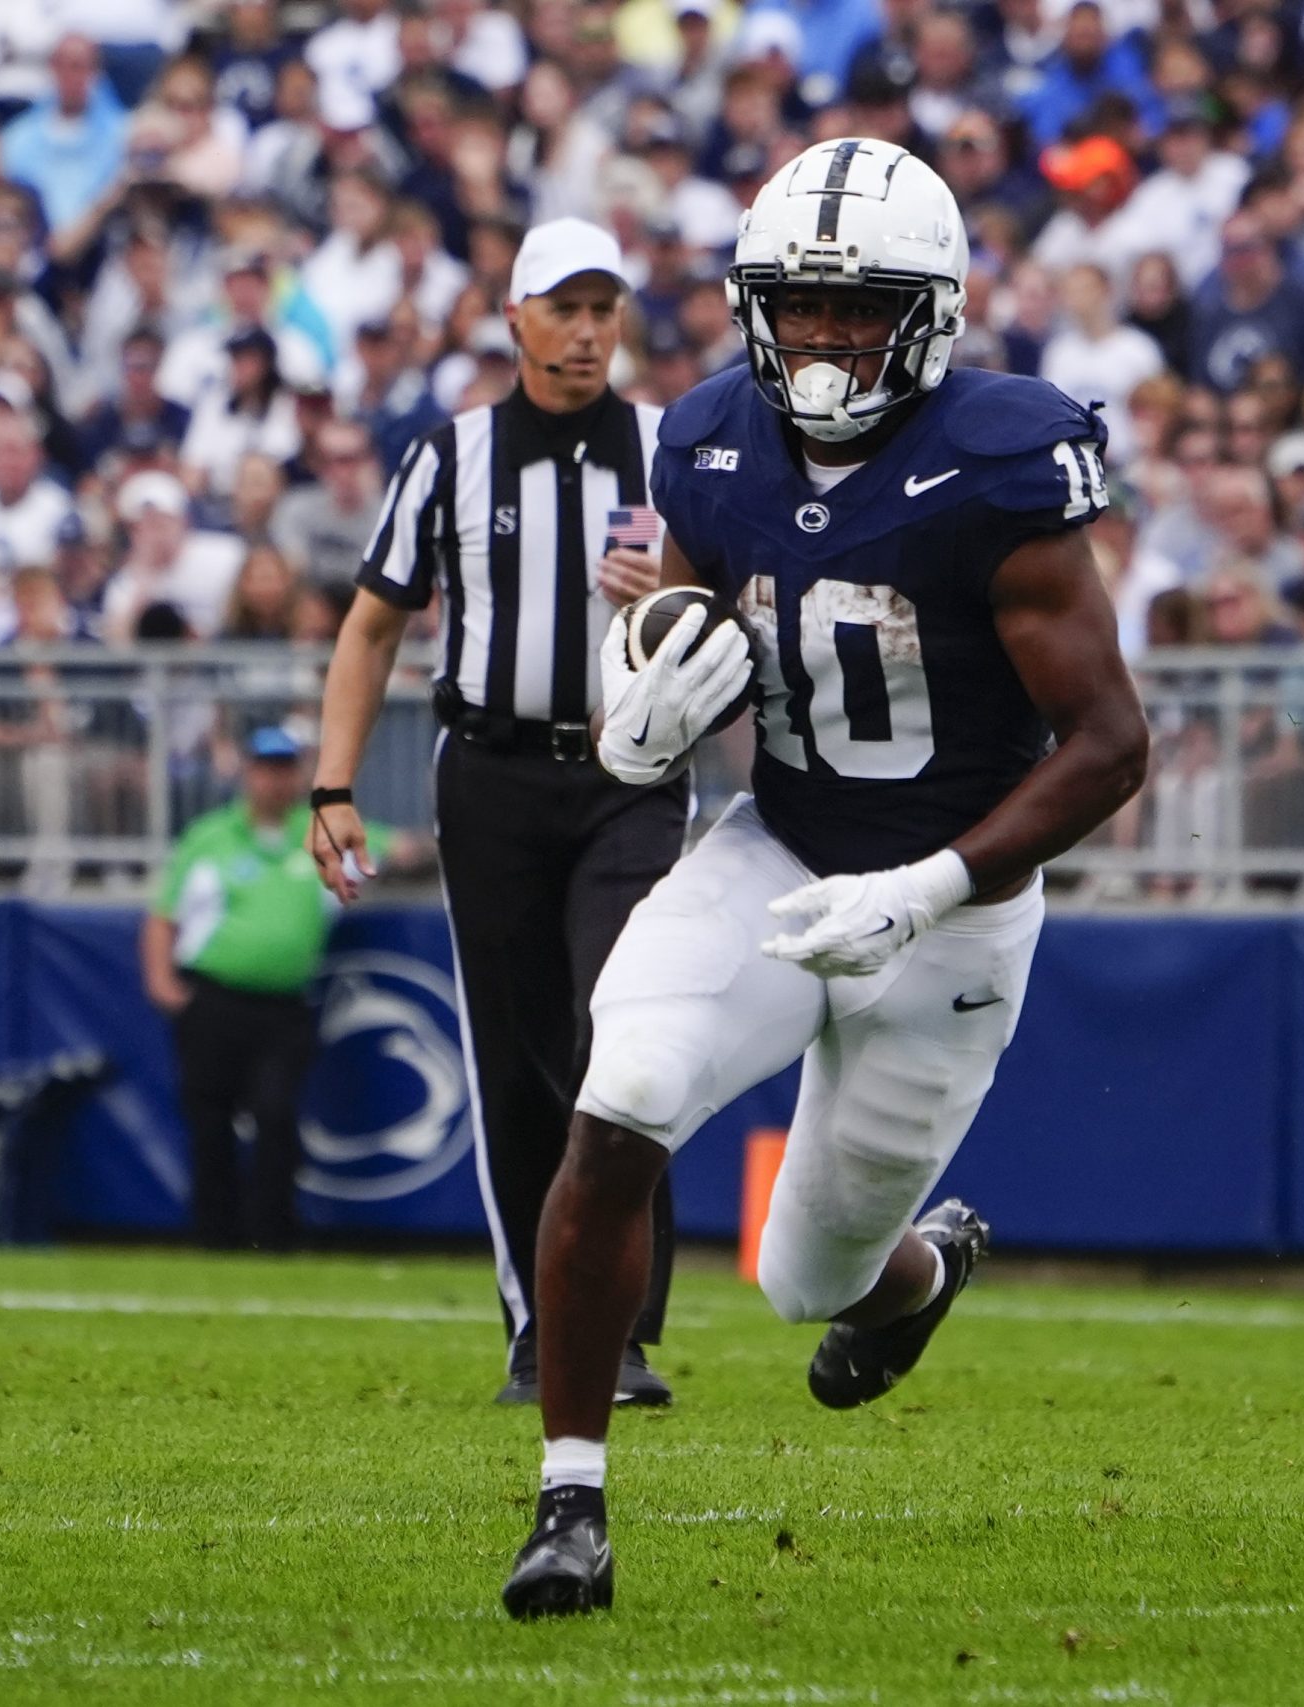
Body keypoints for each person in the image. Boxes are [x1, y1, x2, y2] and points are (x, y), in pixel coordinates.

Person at [498, 139, 1147, 1619]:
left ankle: (916, 1274)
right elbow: (689, 619)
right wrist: (644, 697)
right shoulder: (715, 434)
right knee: (624, 1096)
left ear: (932, 313)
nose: (829, 339)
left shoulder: (1001, 463)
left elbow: (1111, 744)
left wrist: (925, 889)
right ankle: (570, 1502)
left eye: (862, 311)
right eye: (803, 305)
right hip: (782, 852)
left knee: (813, 1275)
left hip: (956, 905)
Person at [308, 220, 688, 1407]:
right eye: (564, 309)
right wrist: (334, 785)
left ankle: (616, 1329)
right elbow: (373, 623)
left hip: (631, 767)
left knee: (619, 1034)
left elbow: (742, 597)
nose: (586, 333)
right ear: (514, 318)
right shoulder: (451, 455)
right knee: (519, 1058)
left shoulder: (671, 447)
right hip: (493, 774)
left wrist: (672, 589)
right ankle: (539, 1324)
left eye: (603, 309)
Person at [140, 727, 332, 1251]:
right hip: (216, 998)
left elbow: (392, 847)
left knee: (276, 1113)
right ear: (247, 774)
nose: (275, 780)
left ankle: (272, 1234)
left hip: (283, 1005)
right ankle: (214, 1235)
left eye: (285, 769)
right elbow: (164, 914)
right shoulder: (210, 836)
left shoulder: (318, 830)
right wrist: (162, 980)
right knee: (209, 1117)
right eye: (266, 769)